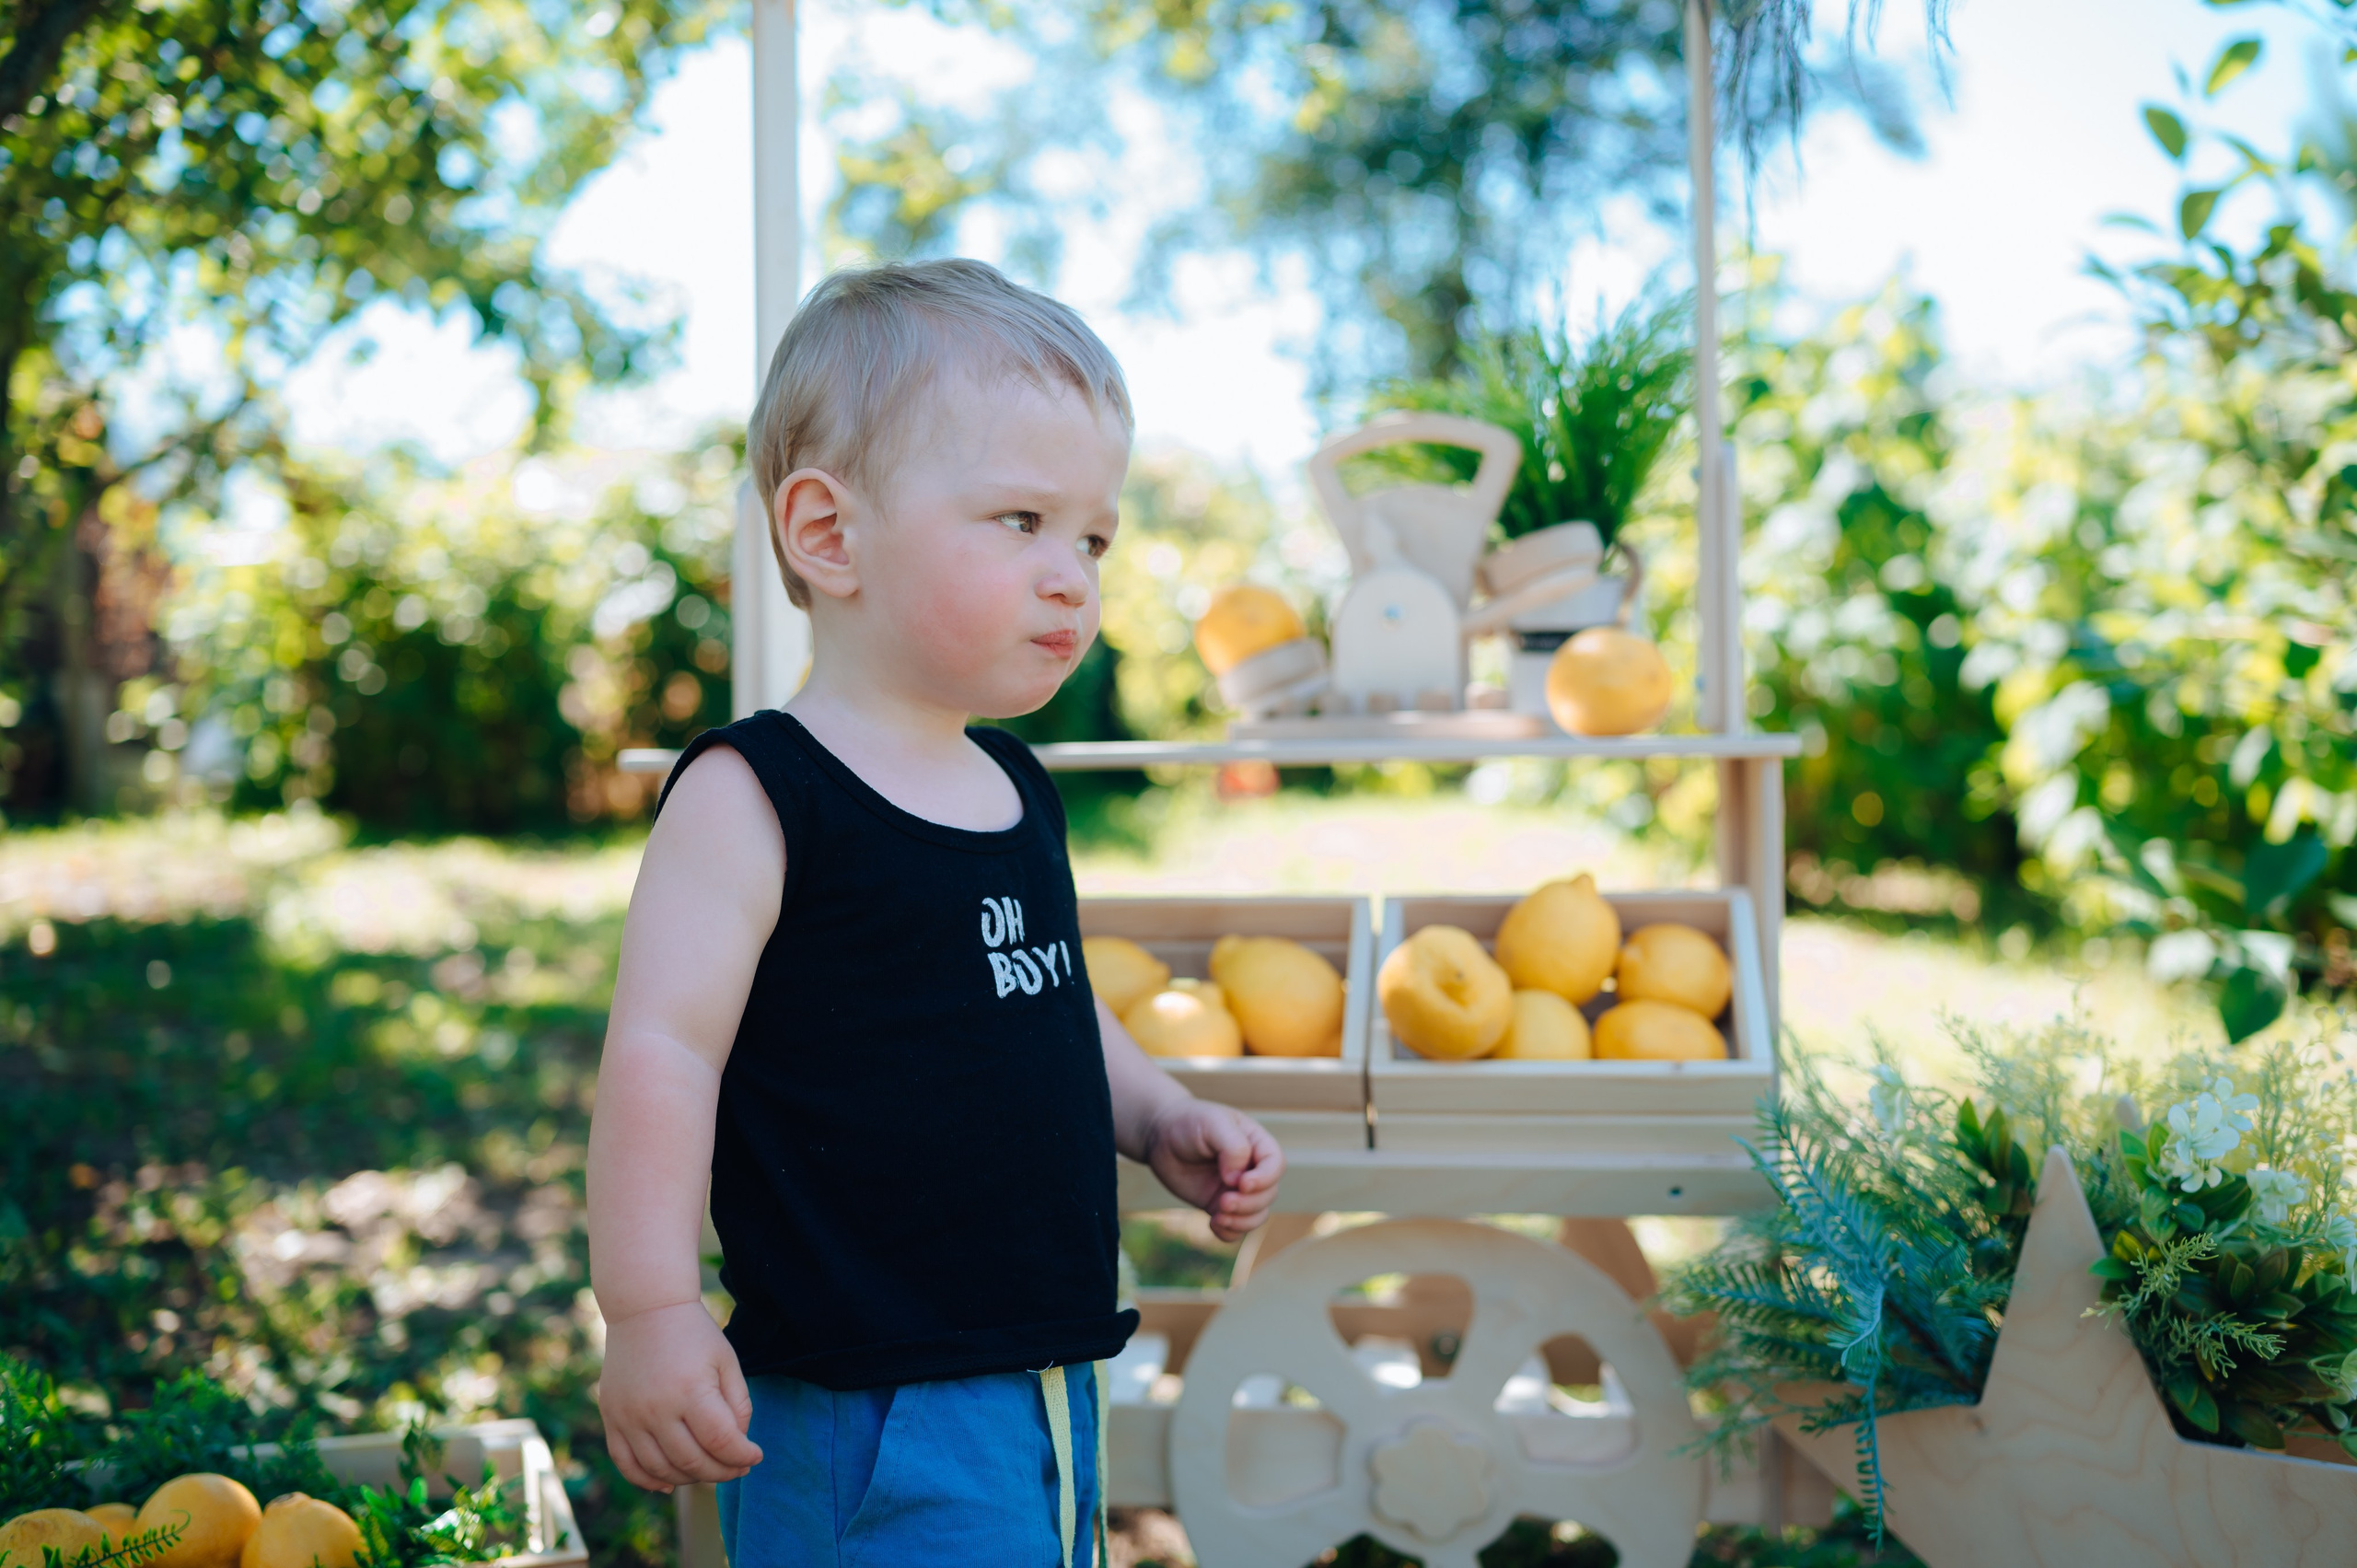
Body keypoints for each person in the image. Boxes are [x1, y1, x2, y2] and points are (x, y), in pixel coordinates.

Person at [584, 258, 1284, 1568]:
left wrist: (1156, 1115)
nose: (1072, 575)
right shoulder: (757, 795)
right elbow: (664, 1053)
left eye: (1091, 538)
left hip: (1041, 1367)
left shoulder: (1015, 787)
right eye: (1020, 519)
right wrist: (650, 1309)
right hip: (868, 1400)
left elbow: (1047, 996)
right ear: (829, 534)